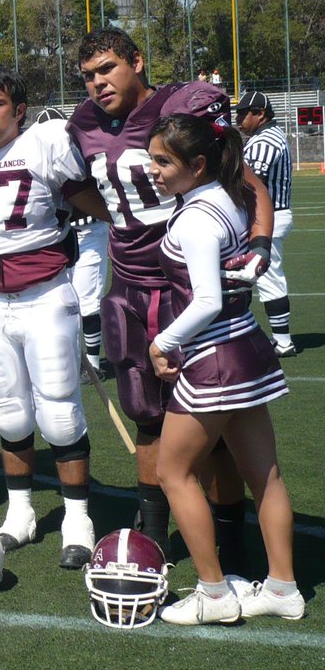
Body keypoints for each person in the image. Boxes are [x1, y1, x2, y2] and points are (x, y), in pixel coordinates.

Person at [68, 27, 273, 560]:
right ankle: (154, 535)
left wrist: (261, 242)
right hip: (130, 285)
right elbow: (81, 188)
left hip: (187, 289)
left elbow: (250, 184)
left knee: (217, 425)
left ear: (137, 61)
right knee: (146, 415)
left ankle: (230, 538)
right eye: (88, 75)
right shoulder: (83, 124)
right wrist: (118, 211)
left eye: (108, 68)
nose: (98, 83)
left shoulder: (182, 108)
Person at [0, 65, 106, 568]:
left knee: (59, 412)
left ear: (20, 110)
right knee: (8, 410)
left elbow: (86, 199)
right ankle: (21, 513)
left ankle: (77, 519)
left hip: (46, 294)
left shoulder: (47, 142)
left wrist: (125, 218)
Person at [146, 113, 302, 624]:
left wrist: (162, 343)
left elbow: (207, 300)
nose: (153, 169)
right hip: (248, 347)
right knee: (265, 475)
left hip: (214, 358)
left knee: (174, 471)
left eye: (163, 161)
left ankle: (213, 594)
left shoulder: (195, 218)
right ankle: (282, 587)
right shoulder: (229, 196)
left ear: (196, 164)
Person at [34, 105, 110, 385]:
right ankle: (65, 359)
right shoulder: (36, 159)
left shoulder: (83, 152)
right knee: (58, 299)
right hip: (59, 235)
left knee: (87, 298)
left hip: (89, 230)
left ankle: (92, 363)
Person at [235, 91, 295, 357]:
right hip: (265, 215)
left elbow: (250, 182)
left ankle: (283, 342)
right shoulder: (265, 137)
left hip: (267, 216)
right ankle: (248, 334)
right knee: (245, 277)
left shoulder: (265, 140)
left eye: (243, 113)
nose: (238, 119)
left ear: (260, 113)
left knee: (268, 277)